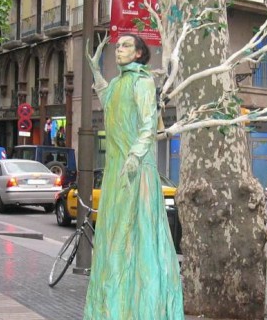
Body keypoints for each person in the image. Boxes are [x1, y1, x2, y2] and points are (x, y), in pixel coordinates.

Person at [83, 34, 183, 319]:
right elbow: (109, 101)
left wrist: (135, 156)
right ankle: (116, 308)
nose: (119, 50)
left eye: (126, 46)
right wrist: (96, 72)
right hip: (117, 174)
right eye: (118, 46)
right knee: (114, 242)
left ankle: (141, 309)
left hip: (137, 173)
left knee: (138, 242)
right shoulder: (117, 84)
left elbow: (149, 124)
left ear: (140, 53)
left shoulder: (143, 82)